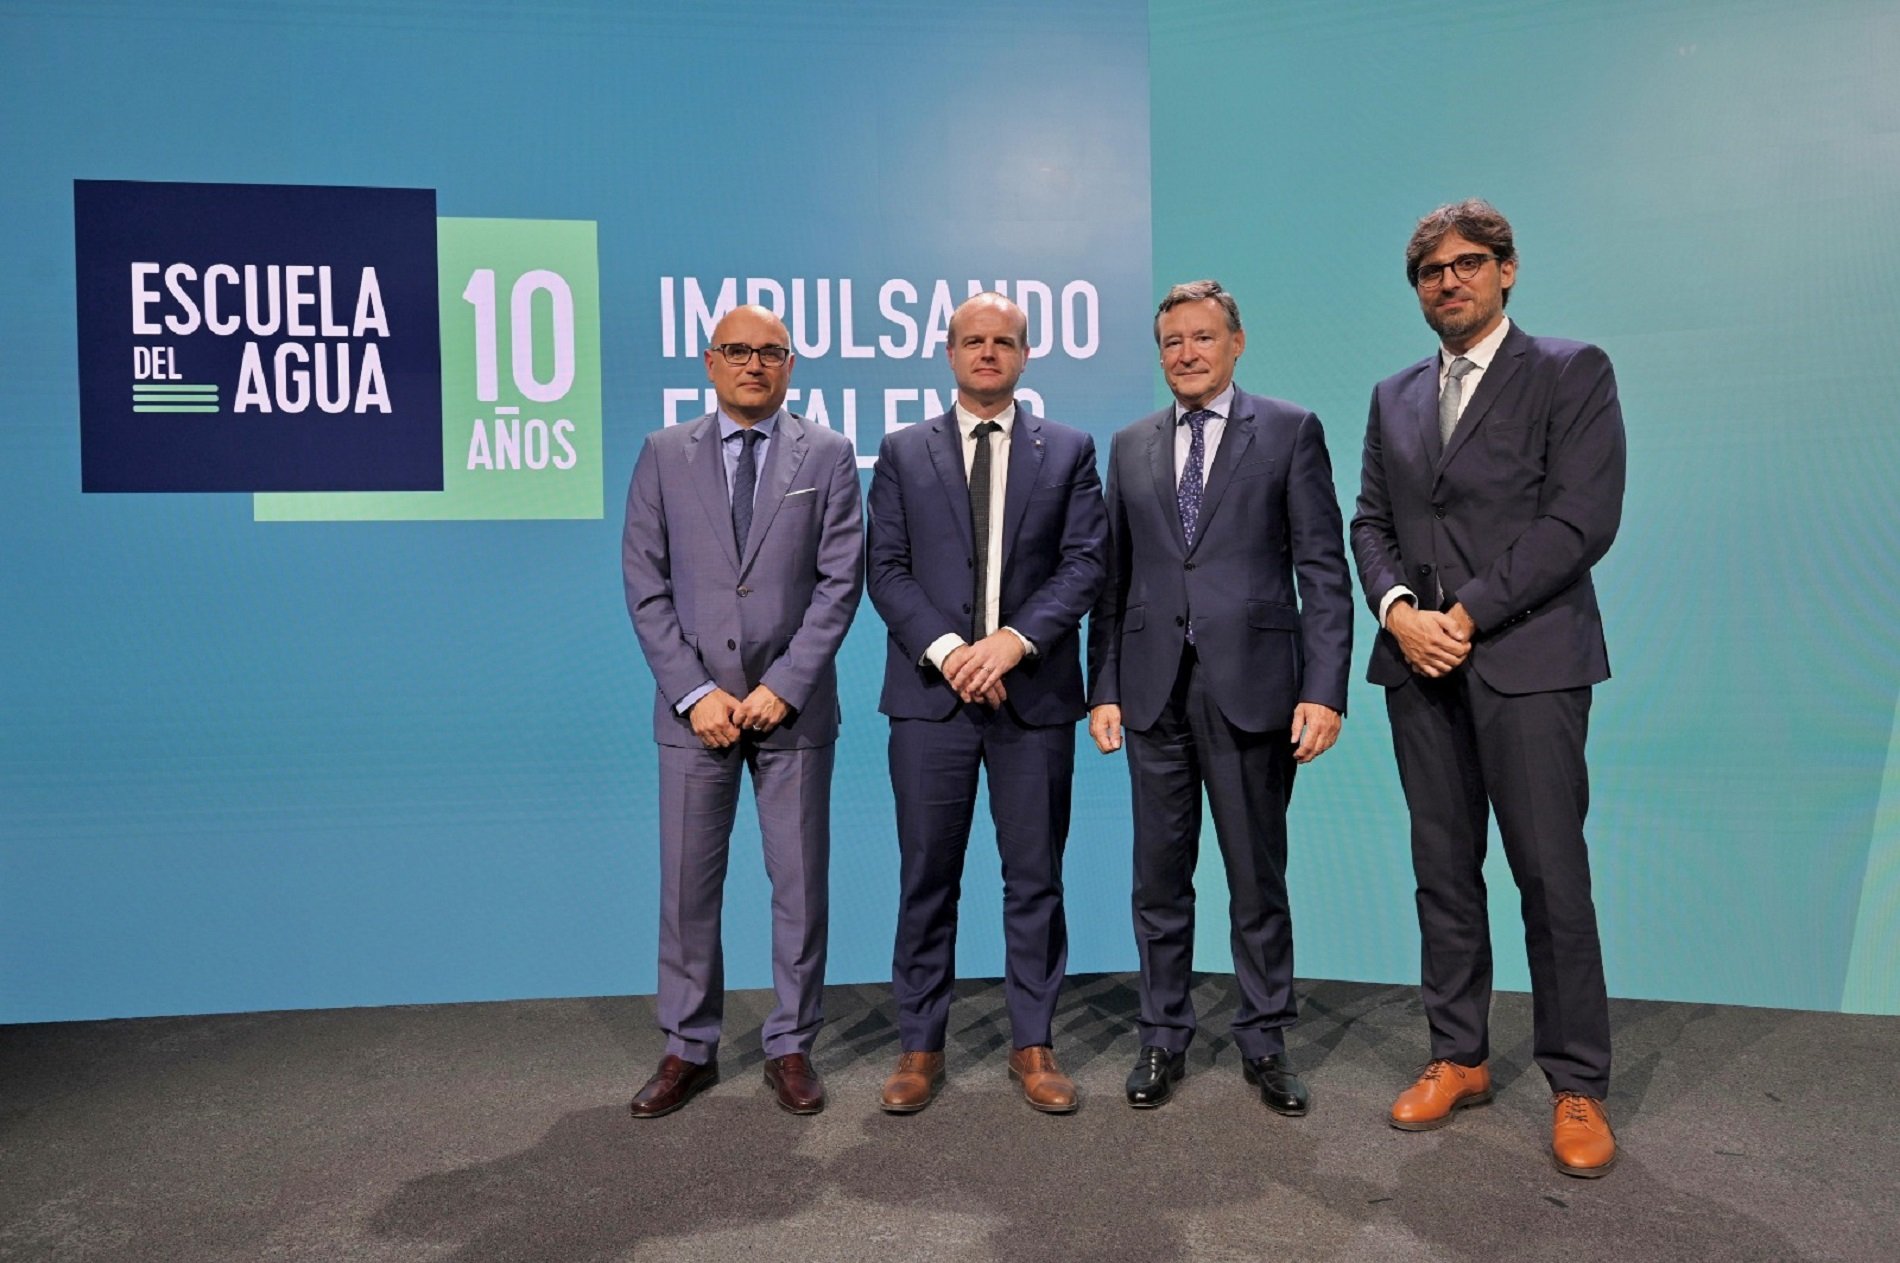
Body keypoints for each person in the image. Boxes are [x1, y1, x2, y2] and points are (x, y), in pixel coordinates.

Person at [1350, 199, 1626, 1177]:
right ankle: (1457, 1054)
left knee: (1548, 876)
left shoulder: (1569, 371)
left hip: (1528, 660)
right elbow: (1371, 520)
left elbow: (1580, 520)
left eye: (1468, 264)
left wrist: (1461, 614)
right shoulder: (1392, 396)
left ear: (1507, 271)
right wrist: (1393, 608)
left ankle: (1577, 1082)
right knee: (1442, 871)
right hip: (1417, 667)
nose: (1449, 282)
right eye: (1430, 271)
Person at [1087, 280, 1353, 1114]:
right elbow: (1113, 581)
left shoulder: (1288, 429)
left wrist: (1325, 686)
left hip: (1256, 691)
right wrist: (1103, 688)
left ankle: (1265, 1037)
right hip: (1151, 691)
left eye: (1203, 338)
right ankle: (1162, 1035)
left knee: (1255, 878)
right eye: (1172, 341)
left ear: (1237, 343)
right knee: (1158, 880)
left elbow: (1323, 570)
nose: (1187, 354)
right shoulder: (1129, 444)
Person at [621, 304, 864, 1118]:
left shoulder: (826, 454)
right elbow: (645, 585)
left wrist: (784, 684)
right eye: (737, 351)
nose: (753, 364)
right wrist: (695, 692)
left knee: (798, 884)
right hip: (695, 714)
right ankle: (687, 1045)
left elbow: (839, 585)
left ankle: (791, 1044)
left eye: (771, 352)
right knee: (688, 887)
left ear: (790, 366)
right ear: (709, 360)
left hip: (791, 709)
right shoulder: (661, 454)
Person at [866, 292, 1106, 1114]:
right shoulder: (902, 450)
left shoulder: (1069, 450)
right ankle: (919, 1045)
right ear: (950, 350)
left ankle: (1033, 1044)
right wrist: (952, 653)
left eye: (1004, 341)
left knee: (1034, 877)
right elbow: (886, 570)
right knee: (926, 877)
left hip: (1031, 697)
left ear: (1025, 354)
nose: (988, 352)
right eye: (974, 340)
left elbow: (1083, 563)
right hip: (931, 702)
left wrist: (1012, 643)